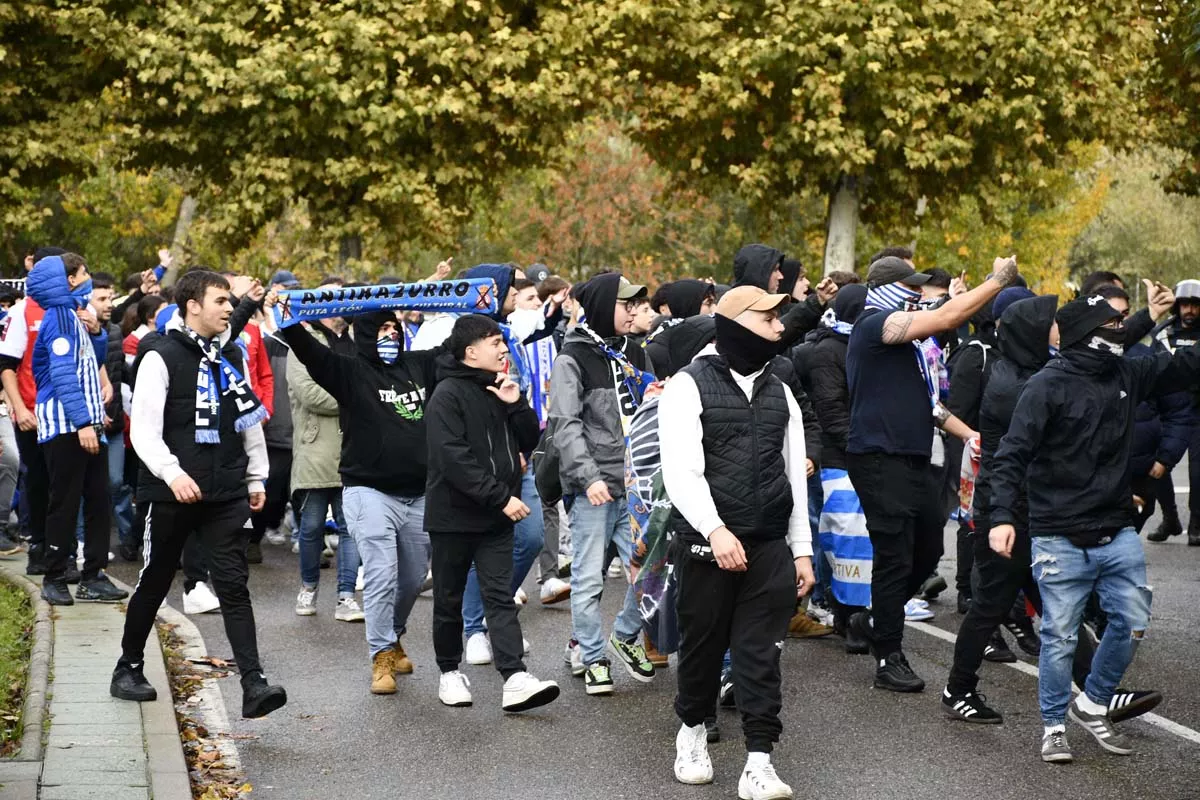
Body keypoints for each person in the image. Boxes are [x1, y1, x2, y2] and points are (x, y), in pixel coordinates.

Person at [988, 292, 1198, 762]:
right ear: (1089, 334)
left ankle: (1093, 701)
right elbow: (1011, 456)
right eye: (1115, 323)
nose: (1124, 330)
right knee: (1060, 636)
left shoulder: (1127, 371)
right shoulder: (1045, 387)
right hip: (1057, 534)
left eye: (1126, 321)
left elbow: (1184, 366)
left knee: (1132, 621)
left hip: (1116, 528)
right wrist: (1001, 517)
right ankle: (1054, 726)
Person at [661, 286, 814, 799]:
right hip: (709, 545)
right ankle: (691, 732)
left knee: (759, 656)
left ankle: (759, 762)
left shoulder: (781, 390)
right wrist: (714, 528)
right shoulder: (689, 385)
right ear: (739, 324)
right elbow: (680, 472)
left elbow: (794, 475)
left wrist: (802, 548)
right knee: (702, 651)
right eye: (769, 318)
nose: (778, 327)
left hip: (768, 545)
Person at [112, 269, 286, 719]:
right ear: (193, 304)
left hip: (226, 491)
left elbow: (248, 418)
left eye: (232, 302)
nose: (230, 309)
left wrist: (255, 478)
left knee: (233, 584)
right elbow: (145, 433)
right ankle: (128, 666)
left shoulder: (231, 354)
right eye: (221, 301)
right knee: (156, 577)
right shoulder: (160, 355)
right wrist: (173, 474)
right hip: (172, 492)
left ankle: (253, 682)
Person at [844, 254, 1020, 693]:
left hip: (913, 458)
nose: (917, 296)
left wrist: (972, 435)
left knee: (926, 553)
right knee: (895, 557)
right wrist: (997, 279)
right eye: (911, 288)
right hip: (879, 458)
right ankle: (889, 654)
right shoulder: (874, 325)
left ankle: (874, 619)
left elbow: (930, 406)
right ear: (890, 289)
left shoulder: (907, 346)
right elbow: (948, 315)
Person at [269, 290, 440, 696]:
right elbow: (309, 350)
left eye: (394, 329)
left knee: (414, 576)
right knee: (381, 570)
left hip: (417, 494)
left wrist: (481, 299)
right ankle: (381, 656)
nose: (390, 336)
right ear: (363, 333)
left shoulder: (418, 364)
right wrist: (289, 316)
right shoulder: (349, 371)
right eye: (381, 329)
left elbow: (459, 346)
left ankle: (393, 634)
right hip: (368, 491)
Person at [424, 314, 559, 712]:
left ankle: (514, 676)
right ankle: (449, 672)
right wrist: (500, 497)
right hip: (453, 517)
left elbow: (530, 437)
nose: (503, 349)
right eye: (494, 342)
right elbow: (453, 459)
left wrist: (516, 405)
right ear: (470, 352)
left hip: (496, 518)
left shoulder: (498, 388)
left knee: (499, 597)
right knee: (448, 598)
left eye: (502, 341)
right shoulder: (446, 394)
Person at [549, 272, 658, 694]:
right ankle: (593, 658)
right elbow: (565, 424)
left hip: (637, 486)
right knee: (590, 579)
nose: (632, 311)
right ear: (599, 306)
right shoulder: (572, 356)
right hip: (594, 488)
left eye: (635, 304)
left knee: (655, 569)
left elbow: (645, 413)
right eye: (624, 303)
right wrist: (589, 477)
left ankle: (625, 636)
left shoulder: (634, 352)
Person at [25, 254, 125, 605]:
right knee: (64, 503)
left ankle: (93, 575)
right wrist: (83, 423)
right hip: (66, 427)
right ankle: (54, 575)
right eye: (84, 274)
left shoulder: (74, 317)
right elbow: (64, 375)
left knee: (99, 499)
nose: (89, 279)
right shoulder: (57, 320)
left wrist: (96, 334)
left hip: (87, 424)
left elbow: (87, 363)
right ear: (68, 279)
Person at [286, 291, 363, 622]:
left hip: (352, 449)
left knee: (350, 527)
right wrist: (355, 396)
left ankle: (346, 596)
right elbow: (309, 394)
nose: (338, 314)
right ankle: (308, 587)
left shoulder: (356, 340)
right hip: (316, 448)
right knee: (312, 525)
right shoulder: (301, 342)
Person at [0, 247, 63, 578]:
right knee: (37, 482)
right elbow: (6, 365)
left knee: (65, 487)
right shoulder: (22, 312)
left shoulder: (74, 309)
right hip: (33, 416)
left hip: (69, 418)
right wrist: (20, 408)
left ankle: (61, 552)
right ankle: (37, 547)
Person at [1147, 278, 1200, 544]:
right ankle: (1170, 518)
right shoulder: (1163, 334)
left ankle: (1197, 523)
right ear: (1177, 306)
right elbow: (1155, 369)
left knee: (1199, 470)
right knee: (1157, 464)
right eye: (1185, 304)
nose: (1189, 310)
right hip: (1169, 409)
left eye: (1195, 305)